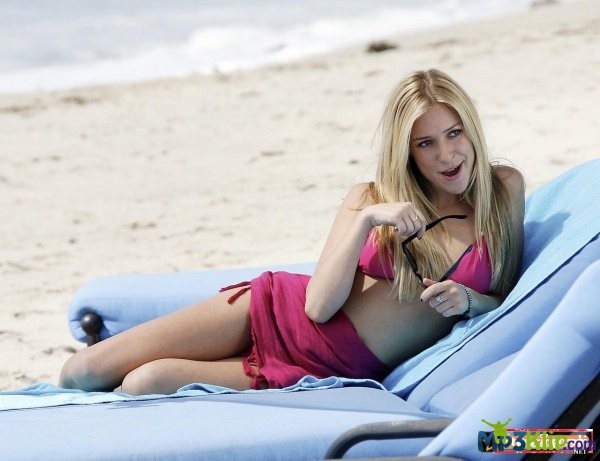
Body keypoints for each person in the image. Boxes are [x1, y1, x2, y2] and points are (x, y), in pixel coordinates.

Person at [59, 69, 524, 395]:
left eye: (454, 133)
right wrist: (366, 220)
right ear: (408, 152)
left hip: (325, 367)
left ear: (471, 130)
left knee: (146, 382)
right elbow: (318, 306)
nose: (446, 155)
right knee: (85, 370)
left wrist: (469, 300)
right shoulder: (370, 197)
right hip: (274, 311)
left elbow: (507, 295)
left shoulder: (503, 190)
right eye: (426, 143)